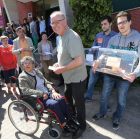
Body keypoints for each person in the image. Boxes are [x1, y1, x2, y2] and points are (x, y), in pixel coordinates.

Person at [92, 11, 140, 130]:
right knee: (104, 96)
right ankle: (102, 112)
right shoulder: (113, 39)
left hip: (125, 76)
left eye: (124, 22)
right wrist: (98, 61)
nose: (121, 25)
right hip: (110, 73)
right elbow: (105, 54)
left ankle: (117, 116)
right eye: (119, 23)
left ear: (130, 22)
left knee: (121, 99)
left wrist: (135, 74)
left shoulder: (138, 38)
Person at [50, 11, 87, 139]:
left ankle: (82, 126)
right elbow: (65, 56)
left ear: (65, 21)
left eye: (57, 22)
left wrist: (61, 69)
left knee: (78, 104)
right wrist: (58, 65)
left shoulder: (72, 37)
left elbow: (79, 61)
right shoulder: (61, 36)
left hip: (77, 77)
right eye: (52, 23)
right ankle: (74, 120)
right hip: (68, 77)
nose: (55, 25)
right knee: (68, 99)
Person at [18, 56, 77, 134]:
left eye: (29, 63)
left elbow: (46, 82)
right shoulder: (22, 76)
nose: (27, 64)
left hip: (47, 93)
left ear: (33, 64)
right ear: (23, 65)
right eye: (25, 63)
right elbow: (25, 90)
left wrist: (53, 91)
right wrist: (41, 93)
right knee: (55, 104)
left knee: (61, 99)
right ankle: (64, 125)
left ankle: (70, 119)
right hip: (37, 98)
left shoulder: (37, 71)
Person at [84, 16, 117, 103]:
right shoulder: (98, 35)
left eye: (105, 24)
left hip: (108, 66)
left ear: (110, 24)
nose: (103, 26)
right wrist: (87, 59)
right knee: (91, 82)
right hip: (96, 64)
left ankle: (105, 103)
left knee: (107, 86)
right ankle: (88, 96)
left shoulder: (116, 36)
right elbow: (93, 49)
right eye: (102, 24)